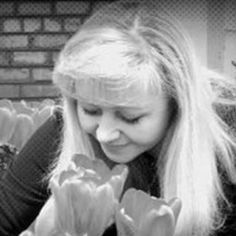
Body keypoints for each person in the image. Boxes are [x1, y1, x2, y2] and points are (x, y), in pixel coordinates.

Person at [0, 0, 236, 235]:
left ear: (177, 103)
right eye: (91, 110)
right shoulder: (63, 131)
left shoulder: (228, 137)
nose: (104, 134)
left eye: (130, 117)